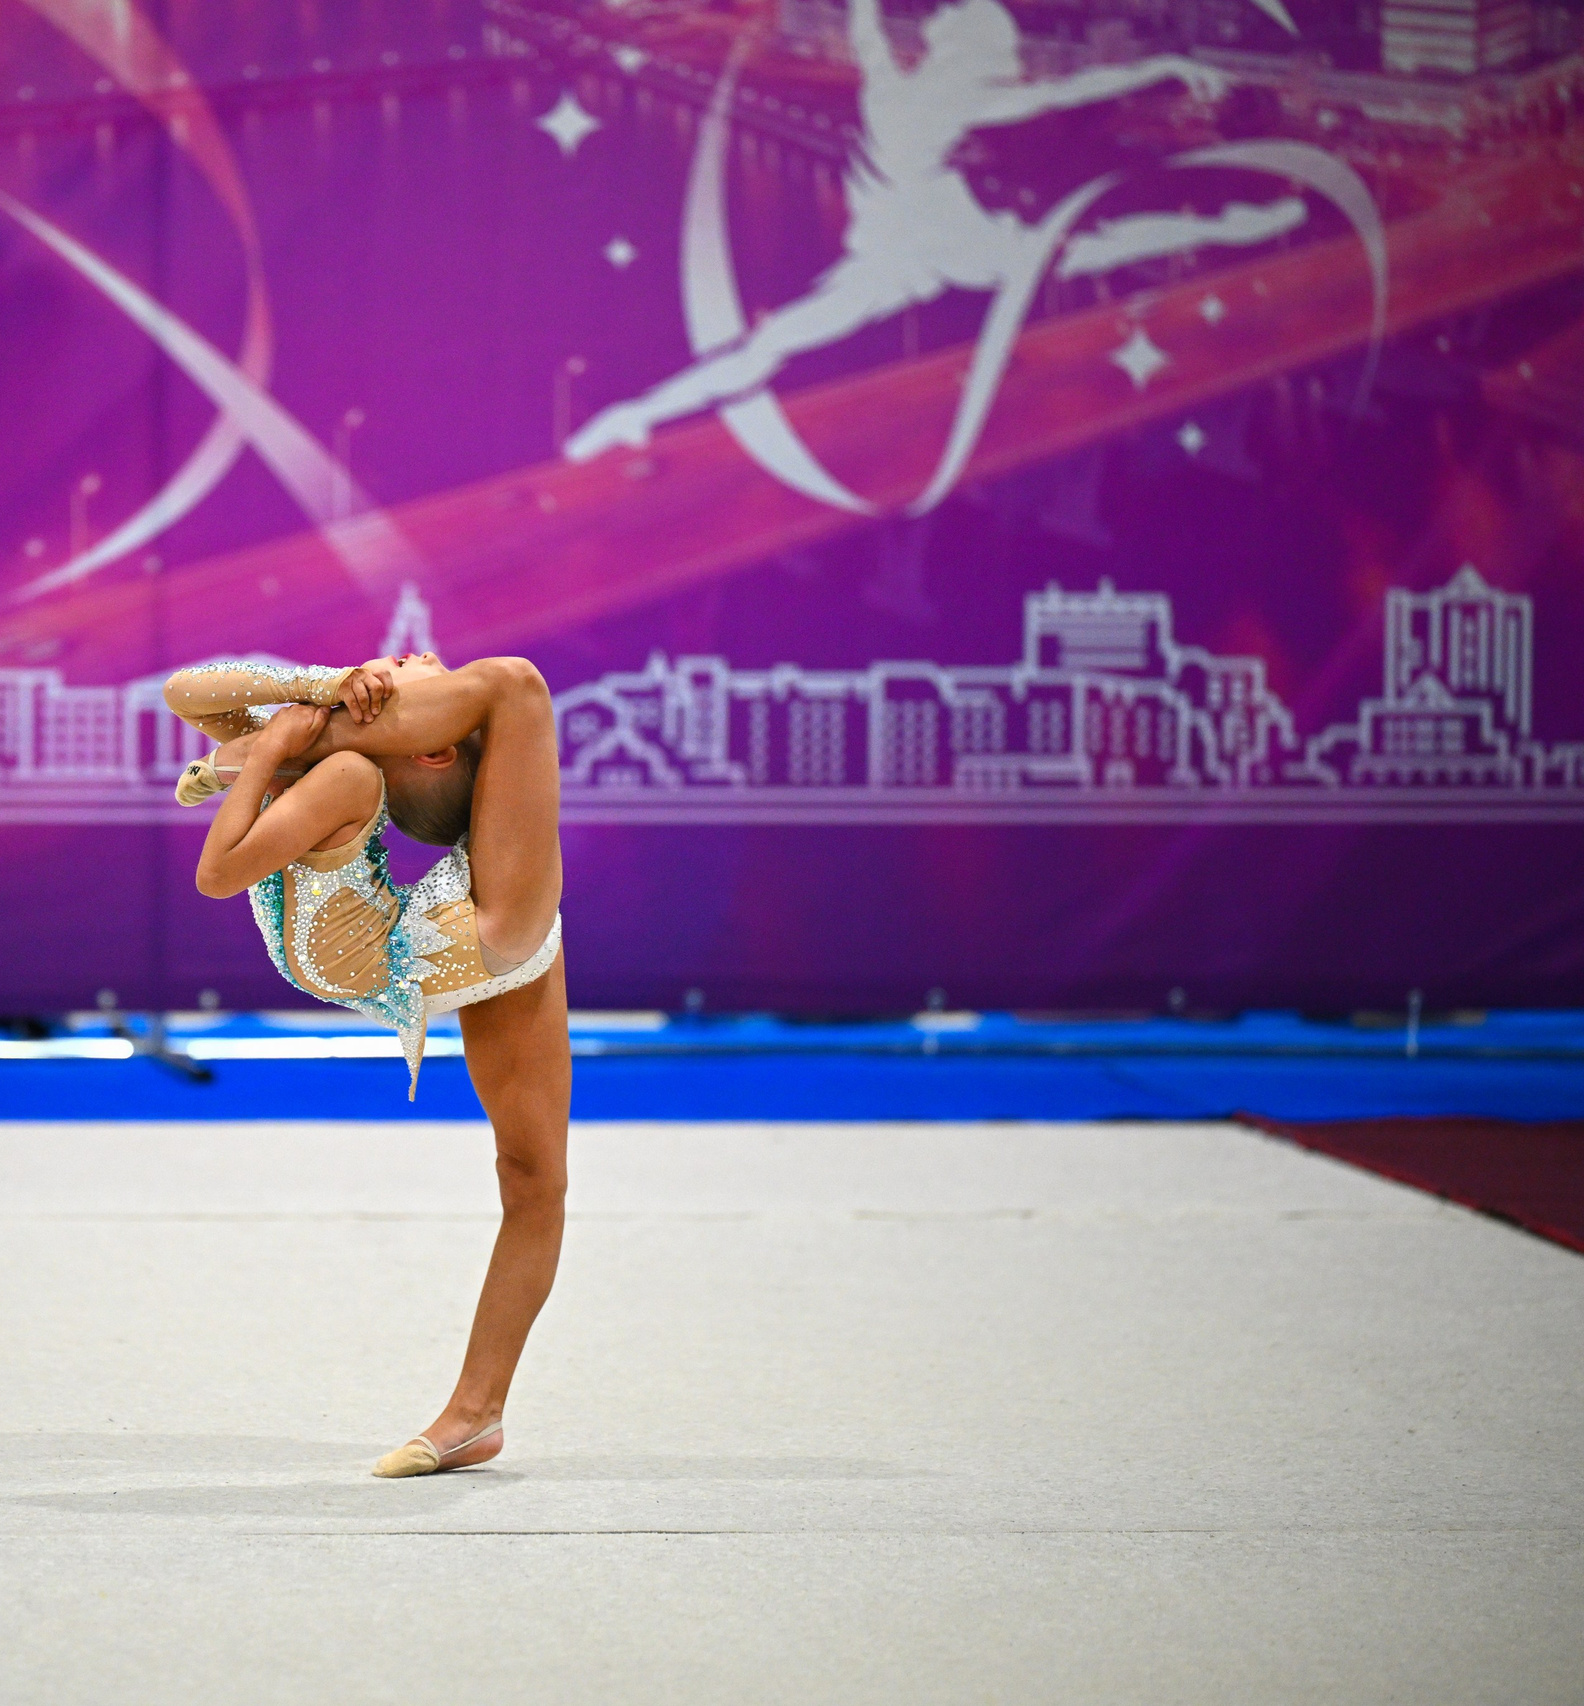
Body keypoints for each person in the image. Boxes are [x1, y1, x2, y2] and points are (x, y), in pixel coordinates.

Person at [564, 0, 1299, 460]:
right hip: (942, 244)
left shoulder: (895, 85)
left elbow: (863, 24)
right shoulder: (958, 101)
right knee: (1101, 247)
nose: (1006, 72)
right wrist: (1165, 63)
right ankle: (1250, 226)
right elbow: (1072, 89)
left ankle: (633, 417)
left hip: (908, 248)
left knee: (773, 344)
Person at [163, 648, 569, 1479]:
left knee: (534, 1179)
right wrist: (309, 696)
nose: (412, 657)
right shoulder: (340, 756)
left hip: (487, 923)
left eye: (425, 671)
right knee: (508, 684)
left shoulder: (339, 761)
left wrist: (270, 744)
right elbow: (184, 690)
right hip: (447, 930)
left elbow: (215, 861)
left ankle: (477, 1414)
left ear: (433, 747)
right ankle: (477, 1414)